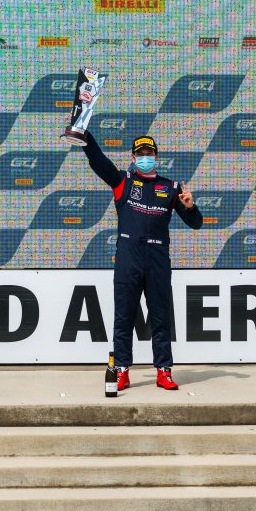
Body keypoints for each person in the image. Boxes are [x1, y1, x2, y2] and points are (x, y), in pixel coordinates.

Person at [82, 132, 203, 390]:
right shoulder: (122, 181)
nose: (145, 157)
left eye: (149, 153)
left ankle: (164, 371)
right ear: (133, 157)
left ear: (156, 157)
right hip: (129, 258)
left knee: (160, 317)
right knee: (123, 317)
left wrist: (191, 206)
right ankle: (122, 371)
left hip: (158, 259)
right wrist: (85, 135)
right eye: (140, 154)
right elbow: (98, 161)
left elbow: (196, 224)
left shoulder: (171, 187)